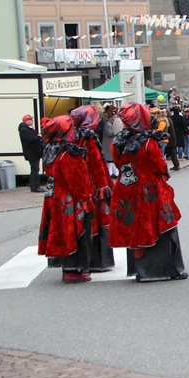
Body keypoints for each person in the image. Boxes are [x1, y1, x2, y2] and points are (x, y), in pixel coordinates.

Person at [108, 103, 187, 282]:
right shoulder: (148, 142)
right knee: (164, 227)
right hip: (150, 191)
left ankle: (139, 269)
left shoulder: (119, 142)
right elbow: (160, 166)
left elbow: (119, 163)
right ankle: (165, 269)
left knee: (134, 227)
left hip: (126, 190)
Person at [37, 116, 97, 283]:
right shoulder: (68, 154)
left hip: (56, 199)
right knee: (78, 234)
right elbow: (77, 182)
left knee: (63, 234)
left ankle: (69, 268)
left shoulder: (51, 151)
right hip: (71, 201)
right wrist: (86, 200)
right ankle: (75, 270)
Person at [69, 105, 115, 273]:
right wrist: (105, 186)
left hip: (79, 186)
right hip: (93, 187)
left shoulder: (72, 136)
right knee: (97, 223)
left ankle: (85, 262)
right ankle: (97, 261)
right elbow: (96, 164)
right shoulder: (89, 138)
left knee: (83, 225)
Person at [18, 114, 44, 192]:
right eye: (30, 120)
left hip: (34, 152)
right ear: (26, 121)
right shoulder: (24, 130)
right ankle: (35, 187)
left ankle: (34, 186)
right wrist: (39, 136)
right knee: (35, 170)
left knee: (35, 169)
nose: (32, 121)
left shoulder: (28, 129)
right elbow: (30, 140)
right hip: (32, 153)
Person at [100, 104, 123, 179]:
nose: (115, 117)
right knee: (109, 160)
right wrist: (116, 131)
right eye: (115, 116)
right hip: (108, 144)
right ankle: (110, 174)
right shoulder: (107, 124)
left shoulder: (109, 123)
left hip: (109, 144)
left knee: (111, 160)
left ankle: (114, 173)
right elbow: (109, 133)